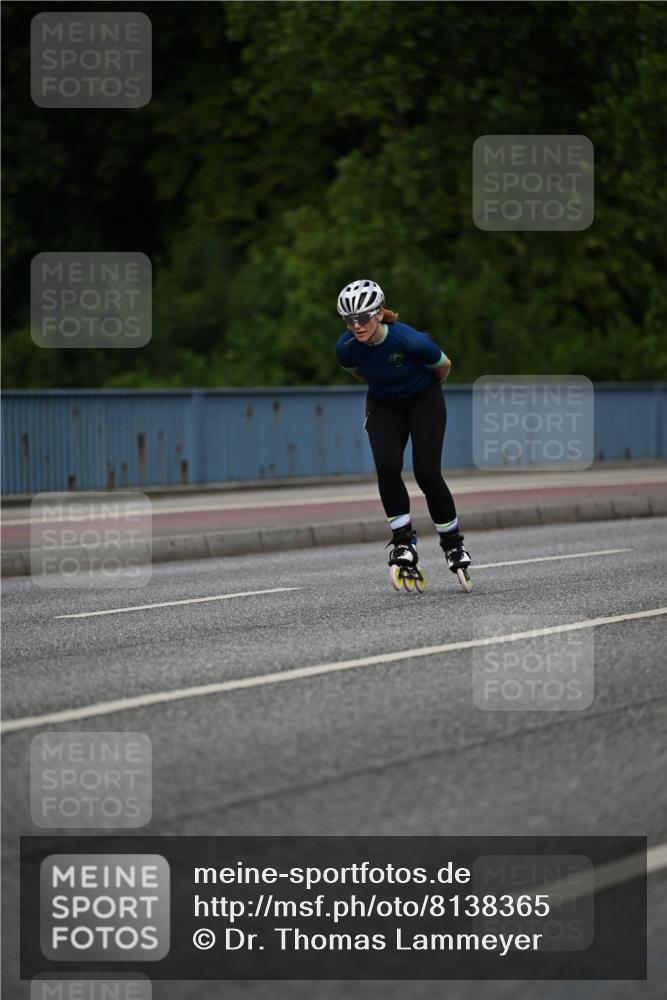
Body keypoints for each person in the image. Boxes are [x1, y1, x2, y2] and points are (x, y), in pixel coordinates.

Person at [335, 278, 472, 591]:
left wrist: (416, 388)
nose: (356, 325)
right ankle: (403, 542)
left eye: (363, 317)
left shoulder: (411, 341)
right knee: (386, 465)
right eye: (349, 320)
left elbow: (444, 366)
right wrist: (388, 388)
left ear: (380, 313)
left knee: (427, 473)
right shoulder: (345, 349)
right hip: (384, 404)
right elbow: (359, 371)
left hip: (424, 399)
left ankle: (453, 543)